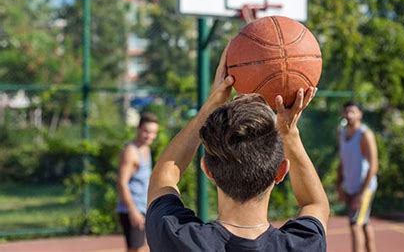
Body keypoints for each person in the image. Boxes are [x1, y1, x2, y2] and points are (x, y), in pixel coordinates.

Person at [145, 44, 329, 252]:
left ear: (208, 170)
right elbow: (316, 204)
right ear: (281, 172)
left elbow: (163, 176)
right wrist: (289, 134)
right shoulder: (302, 246)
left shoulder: (177, 239)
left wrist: (211, 105)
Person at [337, 102, 379, 252]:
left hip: (364, 188)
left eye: (353, 112)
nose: (349, 115)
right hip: (350, 186)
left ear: (360, 114)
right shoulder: (342, 133)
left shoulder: (365, 135)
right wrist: (339, 185)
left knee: (355, 225)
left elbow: (374, 166)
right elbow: (342, 161)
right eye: (347, 112)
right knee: (364, 223)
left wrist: (361, 193)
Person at [117, 113, 159, 252]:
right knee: (135, 249)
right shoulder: (131, 152)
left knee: (142, 247)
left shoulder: (146, 148)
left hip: (143, 207)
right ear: (138, 129)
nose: (150, 136)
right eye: (146, 131)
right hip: (132, 209)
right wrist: (133, 211)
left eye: (153, 133)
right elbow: (122, 183)